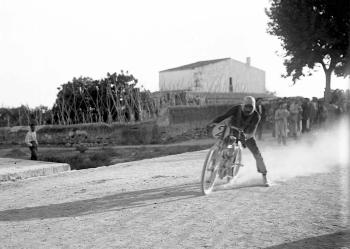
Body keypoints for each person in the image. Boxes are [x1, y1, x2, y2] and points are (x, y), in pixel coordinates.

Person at [208, 96, 269, 186]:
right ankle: (215, 169)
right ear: (243, 105)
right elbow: (224, 116)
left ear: (254, 106)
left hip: (247, 135)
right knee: (221, 145)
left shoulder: (256, 116)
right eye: (246, 106)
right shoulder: (236, 109)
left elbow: (252, 130)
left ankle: (264, 176)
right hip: (232, 130)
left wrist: (245, 137)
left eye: (250, 107)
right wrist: (214, 122)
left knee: (257, 154)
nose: (248, 109)